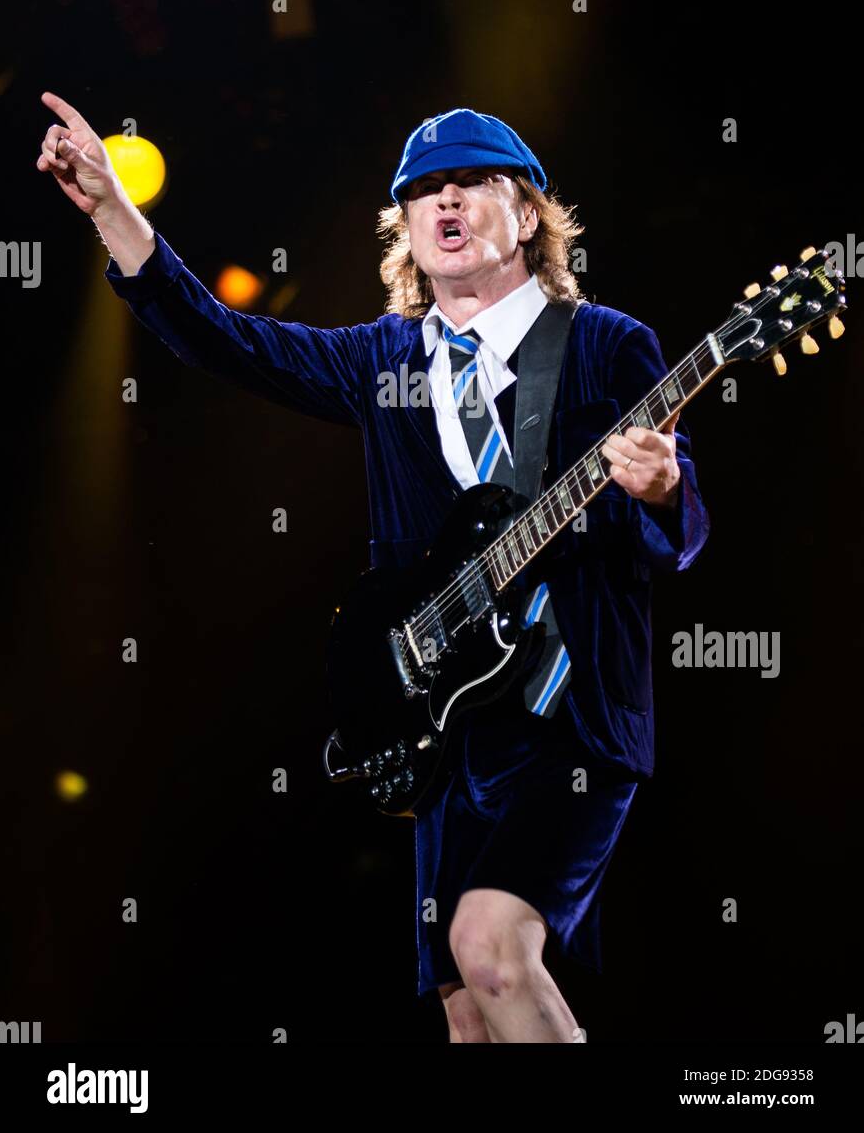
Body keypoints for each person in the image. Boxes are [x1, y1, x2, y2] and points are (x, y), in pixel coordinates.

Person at [36, 94, 709, 1043]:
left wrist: (658, 490)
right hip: (446, 724)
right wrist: (113, 209)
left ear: (526, 216)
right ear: (405, 231)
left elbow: (682, 531)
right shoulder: (383, 359)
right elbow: (227, 339)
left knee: (491, 947)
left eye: (472, 183)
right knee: (467, 1009)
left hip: (569, 717)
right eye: (423, 192)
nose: (446, 202)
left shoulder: (604, 344)